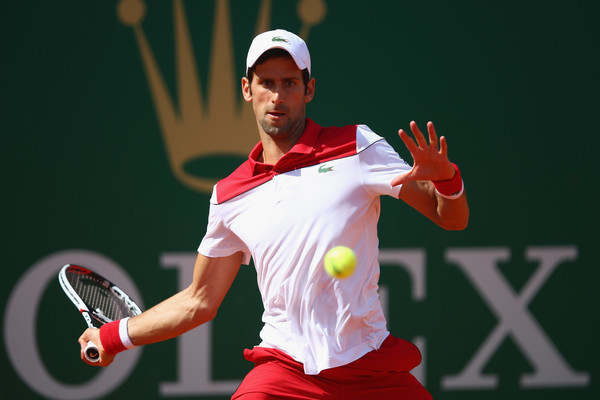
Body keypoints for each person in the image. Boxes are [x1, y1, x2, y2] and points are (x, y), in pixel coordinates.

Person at [79, 29, 469, 399]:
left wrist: (447, 180)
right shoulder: (229, 196)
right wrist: (113, 336)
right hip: (286, 371)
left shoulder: (356, 147)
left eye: (290, 83)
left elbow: (450, 217)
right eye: (267, 83)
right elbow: (200, 300)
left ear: (309, 89)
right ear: (248, 89)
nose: (278, 96)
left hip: (372, 368)